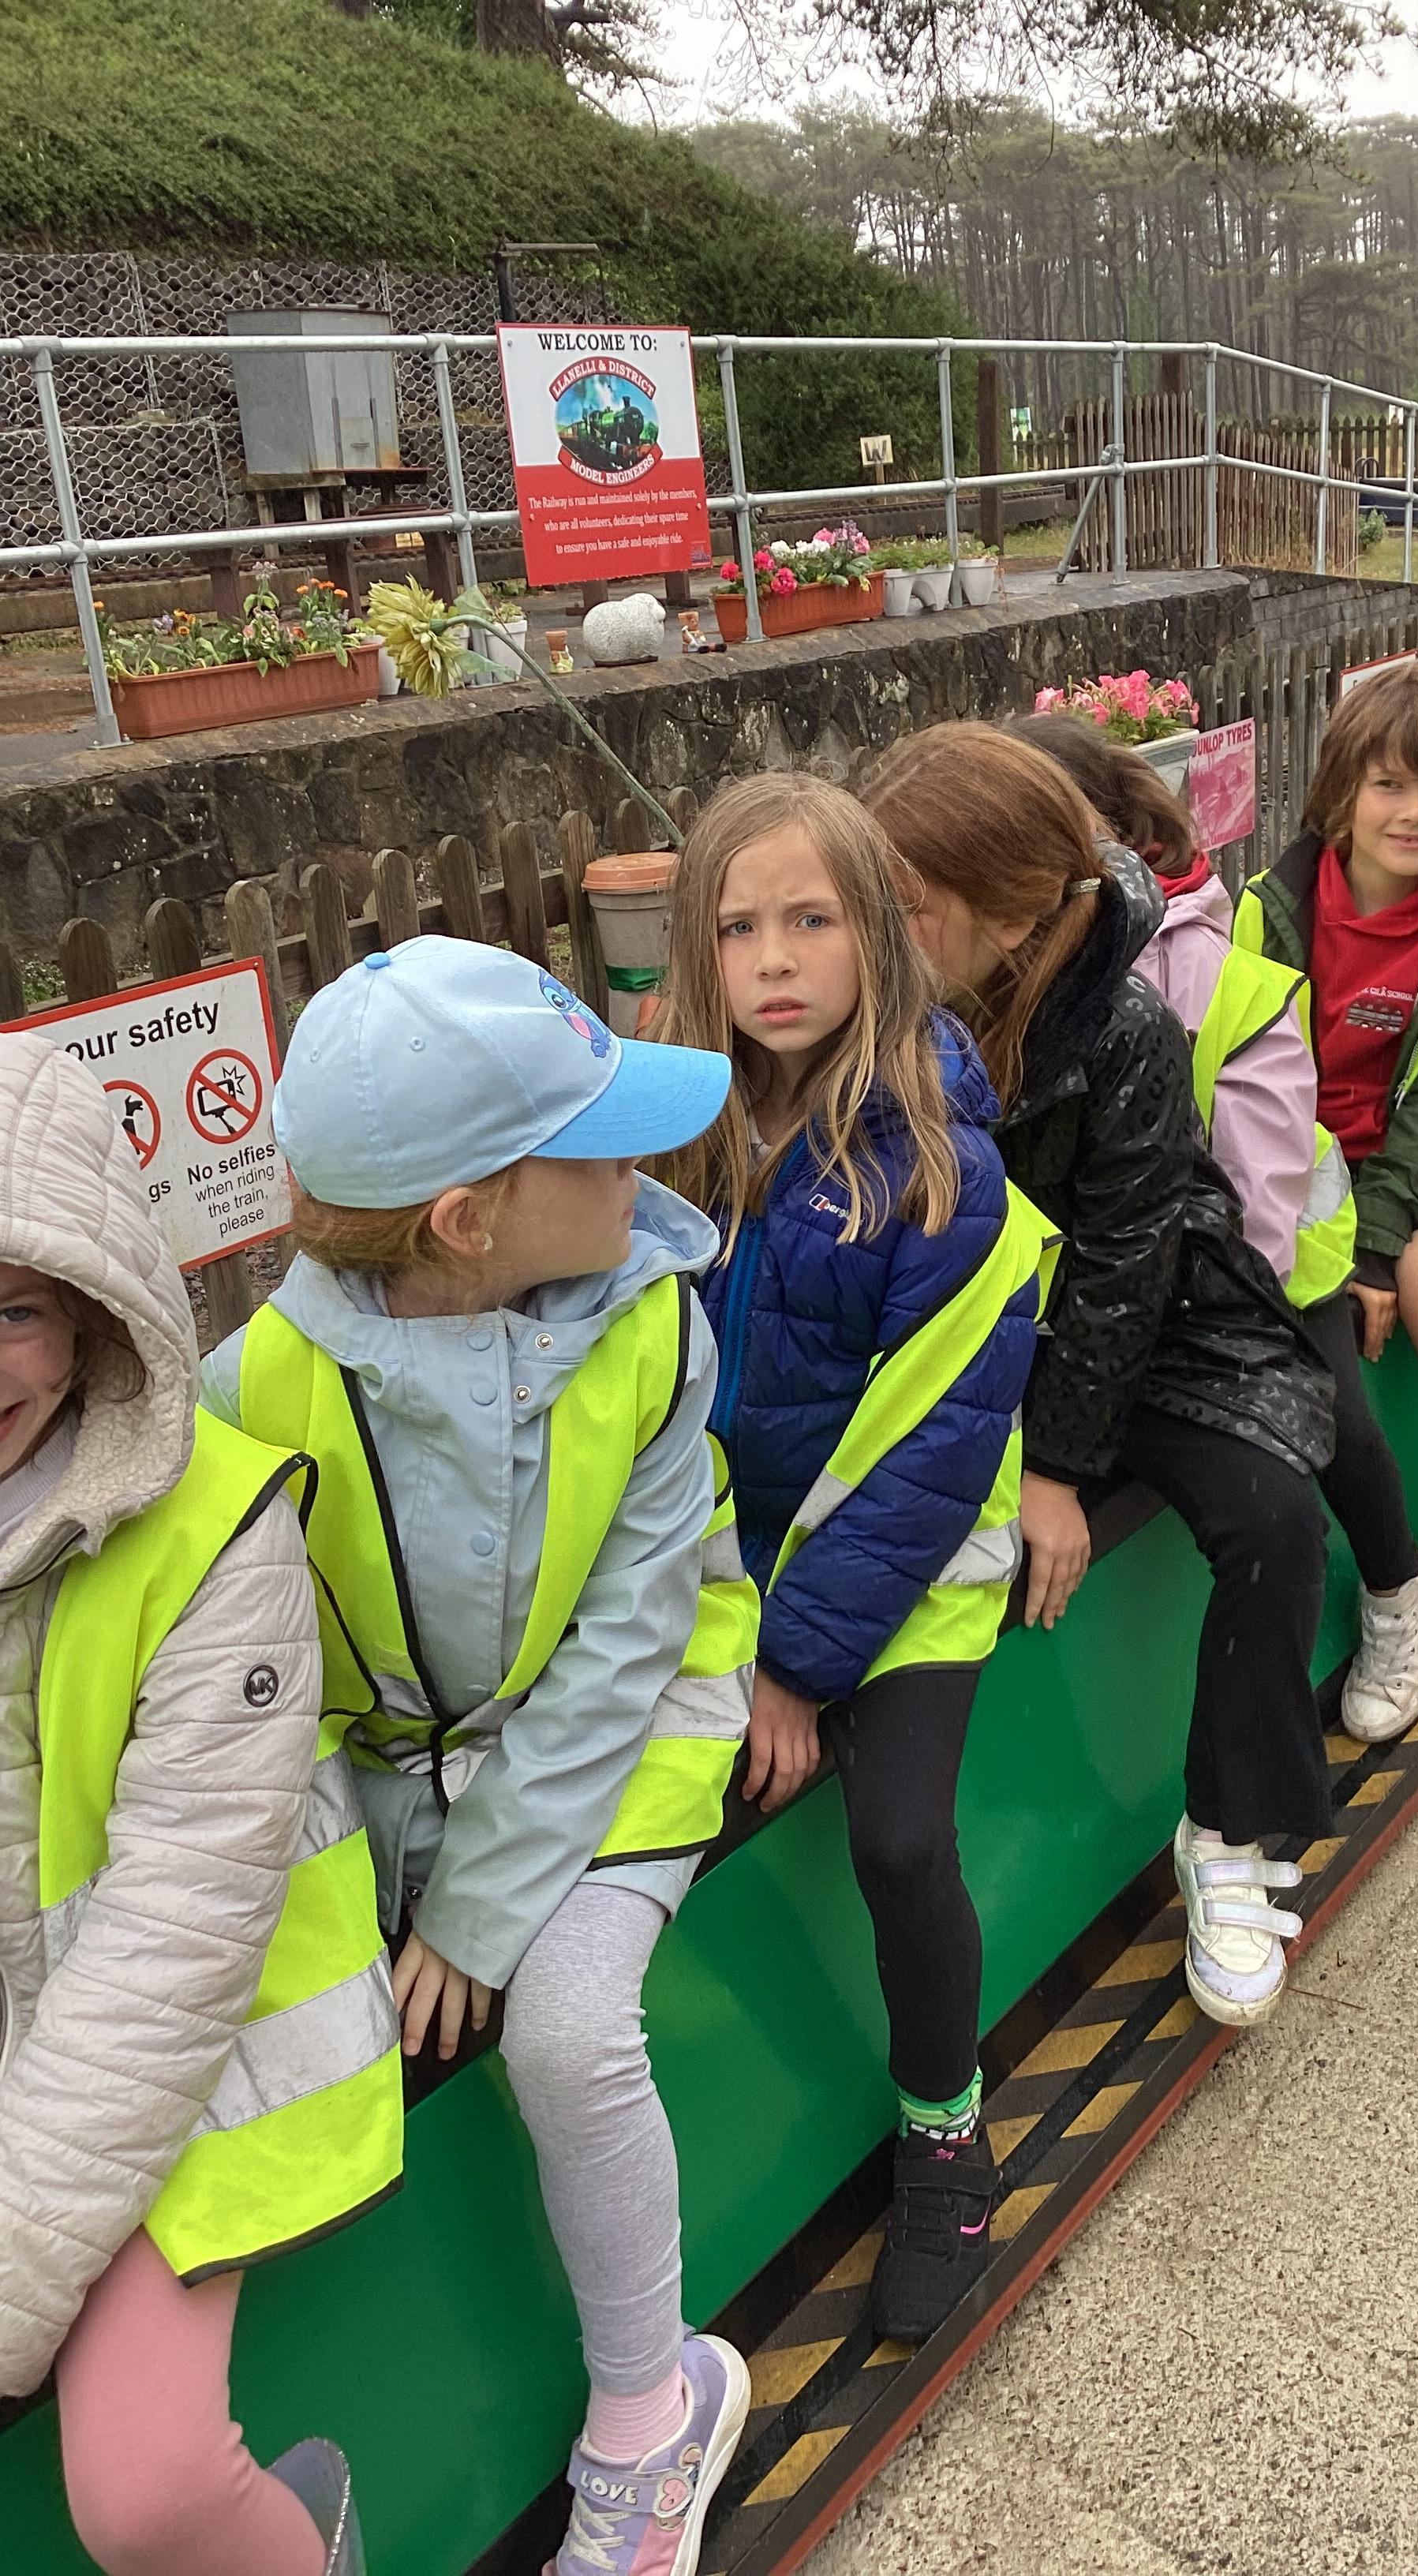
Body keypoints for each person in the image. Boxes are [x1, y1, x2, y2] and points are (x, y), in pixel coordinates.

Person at [200, 940, 756, 2576]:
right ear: (469, 1219)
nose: (643, 1171)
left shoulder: (654, 1327)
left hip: (629, 1729)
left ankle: (653, 2413)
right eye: (601, 1147)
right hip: (391, 1777)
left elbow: (631, 1637)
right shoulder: (253, 1394)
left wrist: (477, 1906)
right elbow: (263, 1691)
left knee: (566, 2030)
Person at [647, 773, 1044, 2342]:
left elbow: (924, 1457)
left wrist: (797, 1668)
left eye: (810, 918)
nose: (773, 959)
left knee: (896, 1837)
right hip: (733, 1550)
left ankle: (946, 2128)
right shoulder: (686, 1138)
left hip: (911, 1558)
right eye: (737, 926)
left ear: (878, 931)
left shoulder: (941, 1166)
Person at [0, 1030, 400, 2576]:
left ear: (97, 1313)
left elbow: (171, 1943)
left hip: (198, 2054)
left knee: (148, 2485)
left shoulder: (216, 1531)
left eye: (15, 1309)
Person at [864, 722, 1333, 2038]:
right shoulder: (880, 1006)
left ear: (1012, 913)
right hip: (953, 1337)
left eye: (909, 902)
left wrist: (1057, 1466)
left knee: (1274, 1510)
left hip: (1141, 1320)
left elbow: (1130, 1257)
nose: (877, 928)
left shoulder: (1123, 1029)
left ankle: (1230, 1828)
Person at [1018, 710, 1418, 1744]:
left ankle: (1398, 1585)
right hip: (1120, 1276)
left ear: (1115, 838)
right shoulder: (999, 968)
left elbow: (1253, 1209)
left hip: (1263, 1264)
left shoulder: (1211, 974)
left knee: (1325, 1418)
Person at [1236, 659, 1418, 1680]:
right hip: (1289, 1170)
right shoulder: (1268, 909)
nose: (1414, 813)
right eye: (1390, 785)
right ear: (1342, 790)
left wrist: (1369, 1253)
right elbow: (1239, 1079)